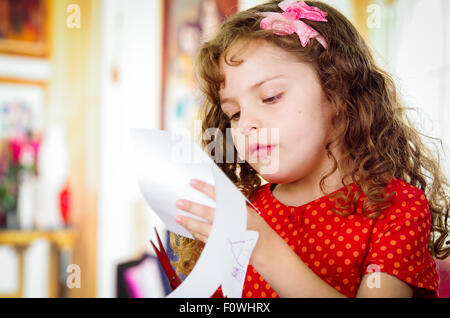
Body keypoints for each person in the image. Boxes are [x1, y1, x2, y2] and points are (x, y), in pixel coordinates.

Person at [169, 0, 450, 298]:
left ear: (339, 91)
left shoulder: (397, 208)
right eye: (235, 113)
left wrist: (262, 248)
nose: (246, 124)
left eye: (271, 97)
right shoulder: (244, 212)